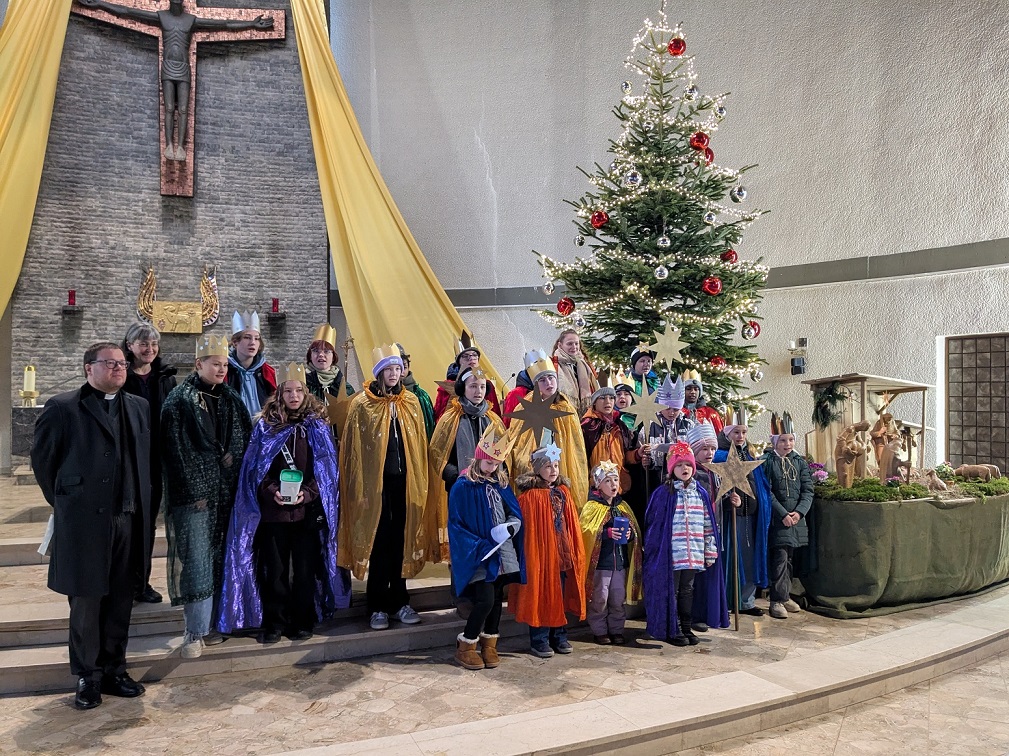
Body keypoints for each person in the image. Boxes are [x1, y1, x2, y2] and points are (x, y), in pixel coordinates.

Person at [32, 342, 152, 709]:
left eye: (121, 363)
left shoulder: (138, 406)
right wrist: (69, 504)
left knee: (120, 599)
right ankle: (88, 676)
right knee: (86, 602)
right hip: (85, 523)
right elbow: (44, 464)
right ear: (88, 368)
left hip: (128, 520)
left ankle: (115, 669)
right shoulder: (63, 407)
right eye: (110, 363)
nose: (119, 369)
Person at [218, 363, 351, 642]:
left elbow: (326, 471)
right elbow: (255, 470)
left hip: (305, 513)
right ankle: (274, 623)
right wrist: (271, 492)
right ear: (278, 394)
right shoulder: (265, 428)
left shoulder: (316, 427)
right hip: (274, 514)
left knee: (304, 571)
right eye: (287, 391)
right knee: (275, 572)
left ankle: (302, 621)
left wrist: (309, 493)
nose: (293, 395)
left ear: (305, 394)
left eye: (298, 390)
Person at [77, 0, 274, 160]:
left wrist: (250, 24)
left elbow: (223, 24)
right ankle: (169, 144)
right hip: (168, 67)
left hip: (183, 69)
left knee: (183, 109)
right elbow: (127, 11)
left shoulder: (190, 20)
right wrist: (101, 4)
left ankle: (181, 147)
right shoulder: (162, 17)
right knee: (169, 108)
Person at [161, 335, 252, 659]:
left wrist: (231, 459)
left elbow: (243, 439)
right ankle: (194, 632)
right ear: (199, 364)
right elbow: (176, 453)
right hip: (194, 501)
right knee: (197, 562)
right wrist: (196, 491)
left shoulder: (230, 398)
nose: (221, 369)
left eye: (225, 365)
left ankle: (218, 623)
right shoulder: (179, 401)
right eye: (216, 364)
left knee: (219, 559)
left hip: (226, 495)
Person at [338, 345, 432, 631]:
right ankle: (377, 606)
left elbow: (419, 446)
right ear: (379, 372)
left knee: (400, 541)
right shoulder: (361, 404)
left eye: (397, 368)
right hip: (375, 487)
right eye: (388, 369)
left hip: (404, 484)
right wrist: (361, 490)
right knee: (379, 543)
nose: (394, 374)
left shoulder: (412, 402)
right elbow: (353, 451)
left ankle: (399, 601)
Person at [448, 426, 524, 670]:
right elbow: (457, 525)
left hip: (502, 553)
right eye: (488, 462)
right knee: (485, 600)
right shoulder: (462, 486)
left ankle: (489, 644)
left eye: (496, 464)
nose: (492, 468)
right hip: (480, 554)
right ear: (478, 457)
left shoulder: (501, 484)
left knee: (496, 600)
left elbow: (514, 512)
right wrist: (479, 545)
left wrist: (511, 527)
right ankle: (466, 645)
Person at [509, 442, 586, 658]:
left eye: (556, 466)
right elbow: (528, 532)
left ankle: (559, 635)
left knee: (559, 596)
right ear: (537, 469)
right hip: (541, 558)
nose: (553, 471)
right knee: (541, 596)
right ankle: (539, 639)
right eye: (548, 466)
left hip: (561, 556)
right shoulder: (529, 497)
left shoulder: (563, 492)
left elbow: (570, 525)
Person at [122, 321, 177, 604]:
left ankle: (141, 583)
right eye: (144, 344)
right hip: (127, 459)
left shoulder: (165, 376)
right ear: (130, 346)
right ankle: (120, 584)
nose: (150, 349)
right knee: (124, 525)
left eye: (154, 344)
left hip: (155, 460)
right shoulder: (120, 375)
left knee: (146, 524)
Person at [427, 367, 505, 564]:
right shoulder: (450, 418)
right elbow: (437, 453)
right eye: (472, 386)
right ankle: (462, 587)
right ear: (463, 388)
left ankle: (488, 586)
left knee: (488, 538)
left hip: (488, 489)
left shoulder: (493, 419)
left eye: (481, 387)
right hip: (460, 488)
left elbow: (503, 454)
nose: (478, 391)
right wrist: (455, 475)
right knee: (463, 540)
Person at [644, 442, 717, 647]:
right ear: (671, 469)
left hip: (693, 553)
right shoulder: (663, 494)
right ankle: (672, 628)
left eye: (687, 465)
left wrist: (709, 550)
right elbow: (654, 526)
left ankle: (686, 627)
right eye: (679, 465)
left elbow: (707, 523)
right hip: (672, 555)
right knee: (672, 591)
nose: (684, 469)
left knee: (687, 590)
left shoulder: (700, 493)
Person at [507, 349, 589, 510]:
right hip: (534, 474)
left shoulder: (566, 408)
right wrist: (528, 466)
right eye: (542, 380)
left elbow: (575, 448)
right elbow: (516, 444)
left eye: (551, 378)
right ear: (535, 384)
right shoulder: (523, 408)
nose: (548, 383)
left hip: (559, 469)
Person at [714, 407, 772, 617]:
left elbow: (759, 485)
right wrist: (730, 501)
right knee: (732, 558)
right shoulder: (719, 456)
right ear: (727, 433)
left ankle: (746, 601)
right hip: (732, 517)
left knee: (748, 559)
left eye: (744, 432)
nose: (740, 437)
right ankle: (730, 600)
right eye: (736, 432)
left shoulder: (749, 455)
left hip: (750, 515)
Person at [579, 462, 642, 645]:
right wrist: (605, 533)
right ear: (598, 485)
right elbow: (586, 531)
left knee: (617, 598)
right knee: (600, 598)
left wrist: (630, 534)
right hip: (602, 565)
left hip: (620, 564)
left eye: (615, 479)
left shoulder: (622, 506)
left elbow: (634, 530)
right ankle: (599, 630)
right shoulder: (592, 507)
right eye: (608, 480)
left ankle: (616, 629)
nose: (614, 484)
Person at [763, 412, 813, 620]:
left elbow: (808, 489)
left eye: (791, 439)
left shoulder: (799, 462)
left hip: (795, 519)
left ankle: (785, 596)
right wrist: (783, 514)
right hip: (779, 518)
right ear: (775, 441)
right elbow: (767, 491)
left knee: (790, 558)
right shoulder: (768, 461)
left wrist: (799, 512)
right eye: (783, 440)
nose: (787, 444)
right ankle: (776, 600)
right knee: (780, 557)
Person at [686, 421, 732, 632]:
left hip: (715, 528)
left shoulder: (716, 473)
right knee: (698, 575)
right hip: (696, 532)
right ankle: (696, 615)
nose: (709, 453)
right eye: (704, 449)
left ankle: (713, 613)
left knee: (713, 573)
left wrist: (734, 503)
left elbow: (721, 498)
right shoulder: (691, 475)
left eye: (712, 448)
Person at [580, 386, 637, 494]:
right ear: (594, 403)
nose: (608, 401)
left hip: (618, 485)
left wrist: (637, 454)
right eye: (602, 398)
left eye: (611, 398)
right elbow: (581, 459)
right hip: (596, 487)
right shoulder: (587, 426)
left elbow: (625, 456)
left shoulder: (619, 425)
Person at [642, 375, 693, 491]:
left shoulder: (688, 425)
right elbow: (641, 448)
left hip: (683, 479)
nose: (671, 413)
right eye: (667, 408)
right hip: (657, 480)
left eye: (676, 409)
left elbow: (694, 450)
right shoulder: (650, 425)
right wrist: (646, 460)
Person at [433, 335, 501, 421]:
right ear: (458, 361)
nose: (471, 359)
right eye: (465, 356)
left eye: (474, 355)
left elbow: (496, 416)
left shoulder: (487, 384)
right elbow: (439, 417)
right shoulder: (447, 386)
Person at [226, 310, 277, 417]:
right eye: (247, 337)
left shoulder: (266, 372)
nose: (253, 342)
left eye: (256, 338)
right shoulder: (225, 371)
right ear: (235, 342)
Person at [552, 329, 598, 417]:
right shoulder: (554, 365)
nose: (574, 347)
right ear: (560, 345)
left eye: (576, 343)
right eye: (569, 343)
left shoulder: (585, 365)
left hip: (585, 416)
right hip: (563, 414)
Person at [397, 344, 435, 439]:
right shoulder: (385, 397)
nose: (401, 372)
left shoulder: (421, 396)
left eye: (404, 367)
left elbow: (429, 427)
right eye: (397, 368)